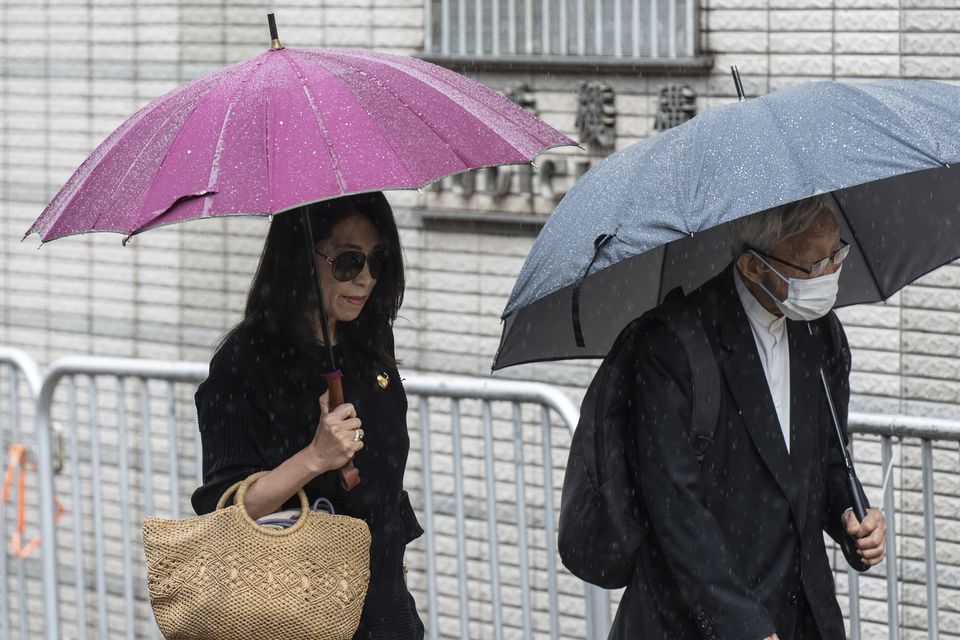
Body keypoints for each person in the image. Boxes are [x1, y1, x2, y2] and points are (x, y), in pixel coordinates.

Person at [608, 195, 887, 640]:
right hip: (695, 621)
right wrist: (744, 626)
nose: (831, 274)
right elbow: (676, 510)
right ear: (754, 267)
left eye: (837, 254)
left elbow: (827, 458)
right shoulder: (673, 343)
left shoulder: (820, 332)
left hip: (804, 614)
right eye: (813, 266)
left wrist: (853, 517)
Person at [191, 192, 424, 639]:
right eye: (348, 262)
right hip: (296, 612)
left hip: (386, 612)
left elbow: (382, 475)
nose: (366, 280)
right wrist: (315, 457)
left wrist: (391, 561)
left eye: (379, 261)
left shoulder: (369, 346)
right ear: (302, 257)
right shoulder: (245, 362)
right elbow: (224, 513)